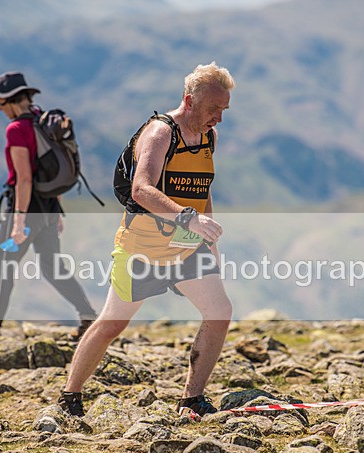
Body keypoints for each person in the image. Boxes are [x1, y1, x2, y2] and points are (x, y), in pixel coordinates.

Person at [58, 62, 235, 418]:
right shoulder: (160, 133)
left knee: (219, 312)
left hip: (187, 248)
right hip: (142, 250)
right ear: (189, 100)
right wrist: (187, 217)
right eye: (212, 109)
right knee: (112, 323)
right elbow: (141, 190)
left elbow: (202, 189)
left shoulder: (208, 137)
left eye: (224, 110)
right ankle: (69, 395)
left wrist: (209, 237)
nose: (218, 118)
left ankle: (192, 399)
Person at [0, 72, 97, 345]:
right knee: (52, 266)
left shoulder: (17, 129)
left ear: (10, 100)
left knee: (2, 266)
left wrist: (18, 223)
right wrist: (56, 211)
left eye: (0, 103)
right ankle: (88, 317)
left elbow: (25, 178)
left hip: (25, 210)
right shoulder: (43, 121)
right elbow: (53, 171)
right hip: (48, 207)